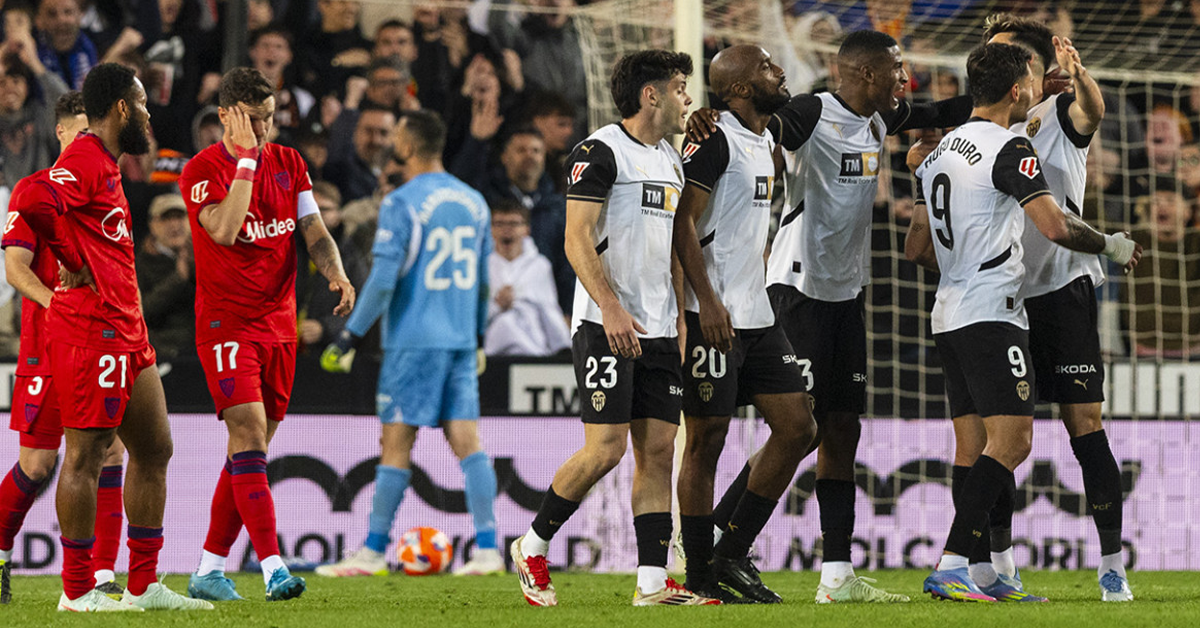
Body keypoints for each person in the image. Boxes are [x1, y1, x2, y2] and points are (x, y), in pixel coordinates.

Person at [686, 29, 971, 603]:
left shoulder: (880, 119)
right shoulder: (810, 113)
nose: (904, 77)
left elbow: (944, 111)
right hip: (798, 290)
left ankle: (837, 575)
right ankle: (718, 537)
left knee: (842, 429)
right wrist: (705, 118)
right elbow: (756, 125)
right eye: (896, 67)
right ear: (866, 73)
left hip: (847, 294)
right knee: (799, 427)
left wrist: (1030, 100)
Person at [906, 42, 1140, 602]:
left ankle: (984, 572)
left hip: (949, 311)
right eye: (1030, 81)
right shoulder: (1010, 147)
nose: (1035, 88)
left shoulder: (938, 153)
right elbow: (1055, 226)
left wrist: (966, 260)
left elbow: (917, 248)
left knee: (977, 446)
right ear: (1017, 90)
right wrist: (1110, 244)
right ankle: (955, 564)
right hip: (993, 312)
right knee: (1012, 442)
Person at [510, 49, 717, 608]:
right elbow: (575, 237)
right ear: (651, 95)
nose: (687, 98)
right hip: (605, 324)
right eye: (679, 87)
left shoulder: (671, 159)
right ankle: (531, 545)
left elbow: (673, 247)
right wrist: (609, 306)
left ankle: (652, 582)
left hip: (658, 328)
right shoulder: (599, 150)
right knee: (606, 449)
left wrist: (679, 317)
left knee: (659, 449)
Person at [19, 62, 213, 612]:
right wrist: (71, 256)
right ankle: (77, 589)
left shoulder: (106, 163)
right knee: (85, 456)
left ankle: (143, 584)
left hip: (129, 331)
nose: (149, 116)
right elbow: (33, 199)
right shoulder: (84, 156)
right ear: (123, 108)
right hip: (90, 331)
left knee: (155, 448)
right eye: (144, 104)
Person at [178, 67, 355, 603]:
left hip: (280, 325)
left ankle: (209, 569)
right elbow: (225, 229)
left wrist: (335, 271)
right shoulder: (201, 170)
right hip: (226, 324)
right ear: (226, 116)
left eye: (270, 118)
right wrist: (246, 161)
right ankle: (274, 567)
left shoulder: (290, 162)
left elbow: (313, 230)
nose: (263, 130)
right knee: (250, 436)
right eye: (253, 119)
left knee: (246, 450)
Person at [316, 109, 504, 578]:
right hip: (460, 339)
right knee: (468, 443)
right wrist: (478, 336)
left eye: (398, 134)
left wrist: (350, 335)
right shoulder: (475, 202)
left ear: (410, 144)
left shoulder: (401, 202)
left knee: (396, 443)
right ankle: (487, 551)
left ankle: (372, 552)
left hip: (415, 341)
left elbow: (383, 281)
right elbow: (483, 281)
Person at [672, 44, 818, 604]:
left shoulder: (766, 138)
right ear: (737, 88)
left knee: (799, 427)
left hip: (756, 314)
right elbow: (683, 223)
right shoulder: (713, 140)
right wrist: (707, 303)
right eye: (765, 67)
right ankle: (699, 573)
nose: (778, 71)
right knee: (705, 441)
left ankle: (731, 551)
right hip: (710, 314)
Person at [0, 90, 127, 604]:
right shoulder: (35, 191)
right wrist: (56, 303)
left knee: (111, 452)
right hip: (48, 347)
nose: (87, 144)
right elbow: (15, 268)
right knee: (37, 464)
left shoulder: (101, 192)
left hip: (100, 343)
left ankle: (101, 575)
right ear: (60, 133)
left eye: (93, 134)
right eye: (79, 133)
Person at [484, 200, 570, 357]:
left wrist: (564, 347)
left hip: (533, 350)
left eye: (513, 223)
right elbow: (472, 314)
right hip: (492, 351)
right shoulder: (482, 265)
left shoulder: (540, 266)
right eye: (499, 224)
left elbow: (549, 309)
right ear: (491, 229)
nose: (506, 229)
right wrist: (496, 305)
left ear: (526, 229)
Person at [136, 193, 195, 359]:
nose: (175, 225)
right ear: (152, 225)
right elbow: (141, 313)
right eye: (166, 219)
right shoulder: (139, 264)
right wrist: (178, 279)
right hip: (165, 352)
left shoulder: (204, 256)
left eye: (180, 217)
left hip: (203, 347)